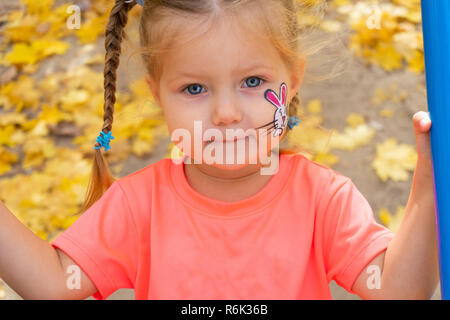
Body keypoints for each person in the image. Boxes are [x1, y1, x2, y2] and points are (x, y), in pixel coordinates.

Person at [0, 0, 439, 300]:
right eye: (194, 88)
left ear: (294, 79)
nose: (227, 113)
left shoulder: (323, 200)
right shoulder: (139, 206)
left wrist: (431, 183)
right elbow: (53, 284)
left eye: (253, 82)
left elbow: (401, 291)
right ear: (157, 94)